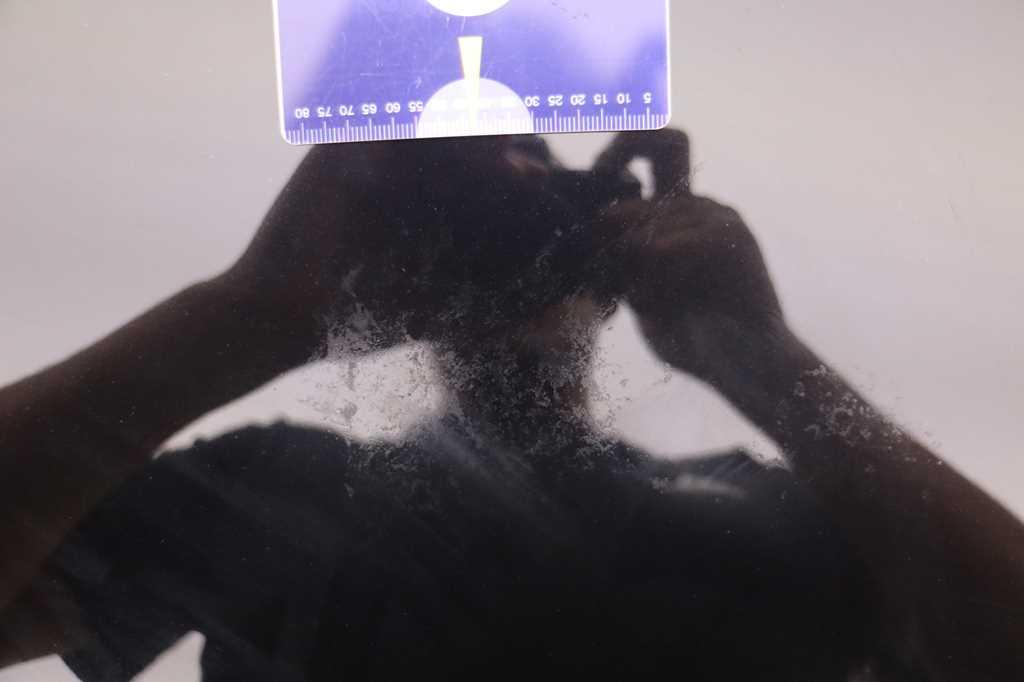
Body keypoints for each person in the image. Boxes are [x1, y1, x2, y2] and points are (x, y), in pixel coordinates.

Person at [0, 130, 1021, 681]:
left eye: (539, 208)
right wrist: (258, 310)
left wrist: (757, 353)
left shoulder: (276, 495)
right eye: (468, 216)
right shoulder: (275, 485)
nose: (505, 244)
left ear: (607, 256)